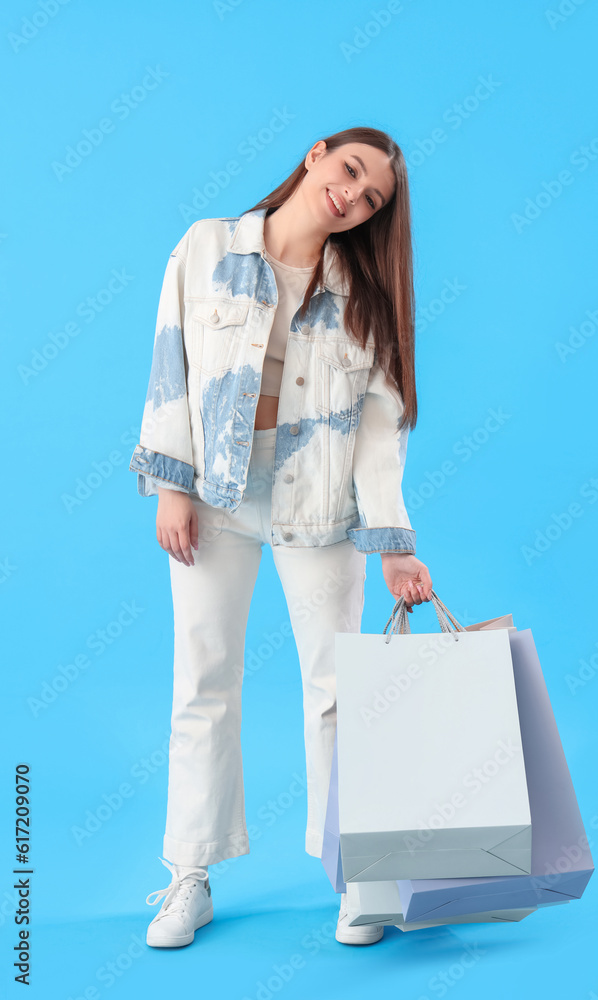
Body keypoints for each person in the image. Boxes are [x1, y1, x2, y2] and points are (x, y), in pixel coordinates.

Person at [128, 126, 434, 948]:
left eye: (372, 198)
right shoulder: (206, 248)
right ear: (316, 154)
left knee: (335, 690)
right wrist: (170, 483)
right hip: (215, 493)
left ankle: (354, 875)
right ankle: (188, 874)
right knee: (203, 675)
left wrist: (393, 538)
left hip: (321, 500)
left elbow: (379, 425)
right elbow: (171, 363)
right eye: (349, 172)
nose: (353, 196)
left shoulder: (362, 292)